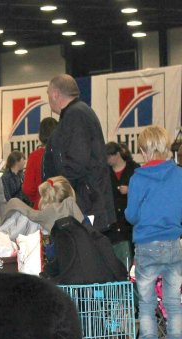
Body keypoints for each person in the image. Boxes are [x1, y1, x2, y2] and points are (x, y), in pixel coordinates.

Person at [124, 125, 182, 339]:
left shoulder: (138, 179)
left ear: (146, 150)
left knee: (147, 304)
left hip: (147, 246)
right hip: (173, 244)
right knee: (174, 302)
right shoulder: (178, 174)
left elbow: (131, 215)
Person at [42, 74, 116, 232]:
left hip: (86, 204)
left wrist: (59, 188)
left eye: (48, 93)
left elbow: (77, 161)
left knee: (87, 250)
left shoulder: (75, 115)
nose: (48, 98)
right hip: (87, 201)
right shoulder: (77, 113)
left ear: (55, 94)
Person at [104, 142, 138, 250]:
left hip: (130, 223)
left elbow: (144, 191)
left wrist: (130, 190)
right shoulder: (105, 173)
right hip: (113, 222)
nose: (107, 160)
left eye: (109, 156)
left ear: (117, 154)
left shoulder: (134, 169)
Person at [23, 117, 58, 209]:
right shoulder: (65, 154)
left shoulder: (35, 156)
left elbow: (28, 188)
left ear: (40, 134)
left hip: (41, 206)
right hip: (62, 207)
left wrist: (38, 198)